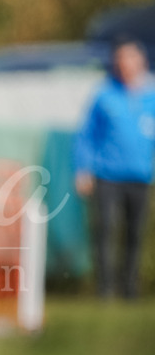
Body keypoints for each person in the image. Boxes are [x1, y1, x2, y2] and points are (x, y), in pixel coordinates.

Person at [74, 37, 155, 298]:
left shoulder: (151, 97)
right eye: (121, 59)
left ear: (141, 61)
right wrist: (83, 169)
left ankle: (130, 290)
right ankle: (106, 291)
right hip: (107, 176)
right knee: (106, 231)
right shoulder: (104, 95)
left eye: (130, 58)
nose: (125, 64)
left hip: (140, 175)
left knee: (134, 234)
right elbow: (86, 135)